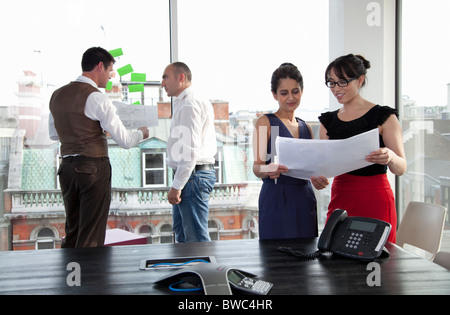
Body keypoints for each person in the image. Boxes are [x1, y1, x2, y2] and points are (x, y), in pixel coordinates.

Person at [49, 47, 150, 248]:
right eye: (110, 70)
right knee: (91, 233)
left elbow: (54, 135)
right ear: (100, 66)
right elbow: (126, 141)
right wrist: (142, 133)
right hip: (93, 168)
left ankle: (71, 278)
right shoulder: (97, 97)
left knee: (73, 230)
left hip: (67, 168)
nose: (111, 76)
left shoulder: (56, 95)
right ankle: (88, 279)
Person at [312, 54, 406, 243]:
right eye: (331, 83)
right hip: (341, 198)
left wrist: (390, 156)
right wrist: (318, 179)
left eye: (343, 82)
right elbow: (326, 168)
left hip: (375, 198)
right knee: (335, 259)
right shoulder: (327, 122)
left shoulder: (384, 116)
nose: (336, 89)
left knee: (378, 258)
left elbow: (401, 168)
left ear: (360, 80)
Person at [253, 63, 327, 240]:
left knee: (305, 258)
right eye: (284, 93)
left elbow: (309, 168)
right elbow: (257, 168)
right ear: (274, 95)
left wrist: (317, 179)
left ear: (302, 91)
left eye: (295, 91)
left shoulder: (306, 127)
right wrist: (268, 169)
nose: (290, 97)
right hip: (276, 198)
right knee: (276, 260)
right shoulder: (265, 122)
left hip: (304, 198)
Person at [162, 62, 217, 243]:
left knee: (195, 240)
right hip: (191, 175)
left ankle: (205, 271)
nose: (162, 83)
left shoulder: (189, 104)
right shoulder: (187, 102)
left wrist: (176, 186)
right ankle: (189, 271)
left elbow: (190, 150)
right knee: (184, 236)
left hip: (192, 177)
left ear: (181, 77)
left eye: (165, 77)